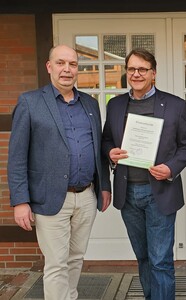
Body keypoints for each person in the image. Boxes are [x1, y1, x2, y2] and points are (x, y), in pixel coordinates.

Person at [7, 45, 112, 300]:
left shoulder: (90, 103)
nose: (67, 69)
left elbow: (97, 147)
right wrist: (20, 201)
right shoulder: (30, 102)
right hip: (50, 198)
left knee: (76, 258)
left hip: (86, 195)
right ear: (49, 66)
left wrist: (105, 185)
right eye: (61, 63)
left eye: (73, 64)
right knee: (56, 264)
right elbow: (17, 156)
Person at [102, 48, 186, 300]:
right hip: (128, 193)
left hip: (160, 192)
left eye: (142, 69)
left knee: (161, 260)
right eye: (131, 69)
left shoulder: (175, 105)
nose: (136, 74)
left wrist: (171, 168)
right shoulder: (115, 104)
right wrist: (110, 152)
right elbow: (106, 140)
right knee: (143, 257)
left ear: (153, 73)